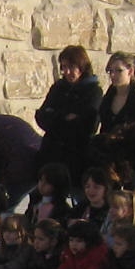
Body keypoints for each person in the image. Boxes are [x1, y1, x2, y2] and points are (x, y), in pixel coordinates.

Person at [34, 44, 100, 187]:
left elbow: (88, 124)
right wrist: (64, 118)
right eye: (64, 67)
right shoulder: (58, 88)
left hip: (76, 154)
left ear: (82, 66)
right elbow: (42, 116)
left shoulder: (93, 91)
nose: (67, 72)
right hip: (51, 152)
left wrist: (57, 118)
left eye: (71, 67)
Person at [95, 53, 135, 143]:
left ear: (130, 71)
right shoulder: (106, 100)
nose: (113, 75)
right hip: (107, 152)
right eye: (111, 71)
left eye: (119, 71)